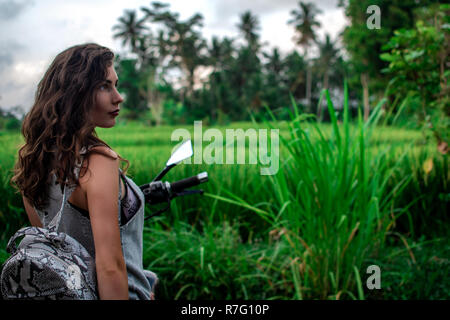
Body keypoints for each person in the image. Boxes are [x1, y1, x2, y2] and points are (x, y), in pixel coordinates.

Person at [11, 43, 157, 300]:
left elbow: (52, 251)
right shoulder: (98, 162)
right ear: (76, 93)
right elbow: (110, 267)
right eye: (104, 86)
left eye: (115, 84)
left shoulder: (34, 161)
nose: (118, 96)